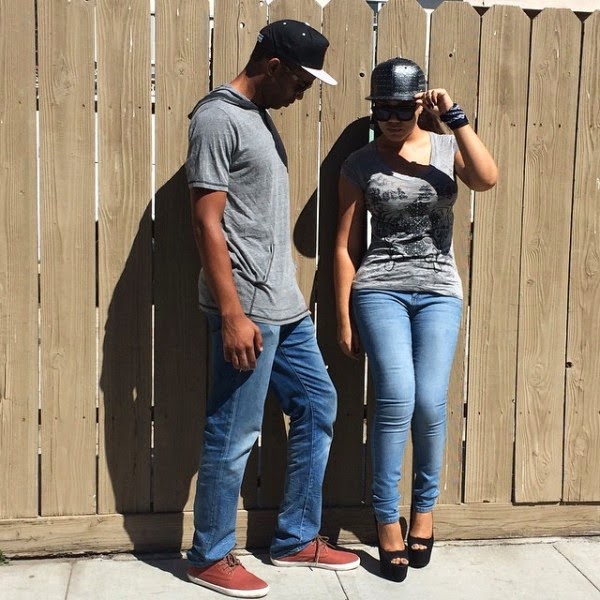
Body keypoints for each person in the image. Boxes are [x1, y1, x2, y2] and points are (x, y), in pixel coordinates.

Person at [184, 19, 360, 599]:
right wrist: (233, 315)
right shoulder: (218, 118)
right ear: (274, 65)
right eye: (301, 81)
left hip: (283, 305)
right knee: (233, 430)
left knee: (318, 402)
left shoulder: (259, 117)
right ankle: (209, 555)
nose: (303, 93)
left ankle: (295, 538)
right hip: (248, 308)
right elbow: (206, 222)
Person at [334, 57, 497, 582]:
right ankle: (387, 519)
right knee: (396, 399)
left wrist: (455, 117)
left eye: (402, 108)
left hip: (439, 291)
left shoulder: (446, 149)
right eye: (382, 109)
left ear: (419, 104)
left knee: (429, 402)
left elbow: (487, 179)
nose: (391, 118)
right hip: (380, 288)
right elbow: (344, 246)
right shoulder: (360, 162)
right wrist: (343, 316)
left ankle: (423, 510)